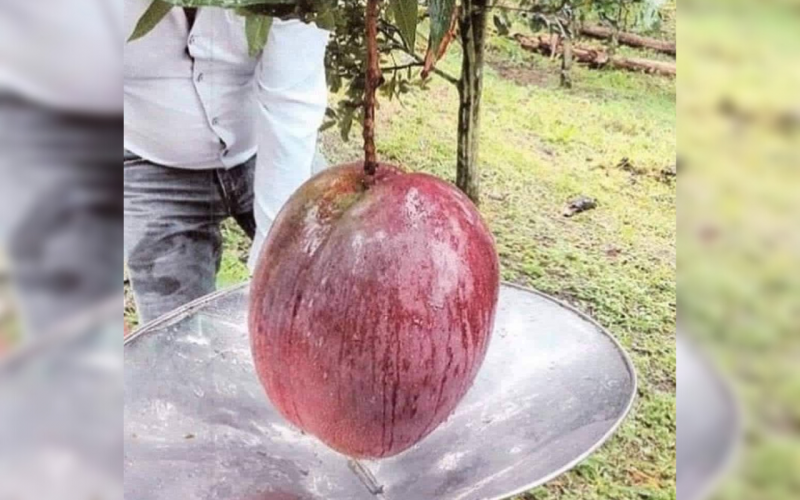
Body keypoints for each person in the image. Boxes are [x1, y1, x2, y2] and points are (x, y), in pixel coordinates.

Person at [124, 3, 330, 324]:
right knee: (176, 342)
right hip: (150, 158)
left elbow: (291, 99)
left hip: (264, 140)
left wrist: (274, 262)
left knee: (337, 286)